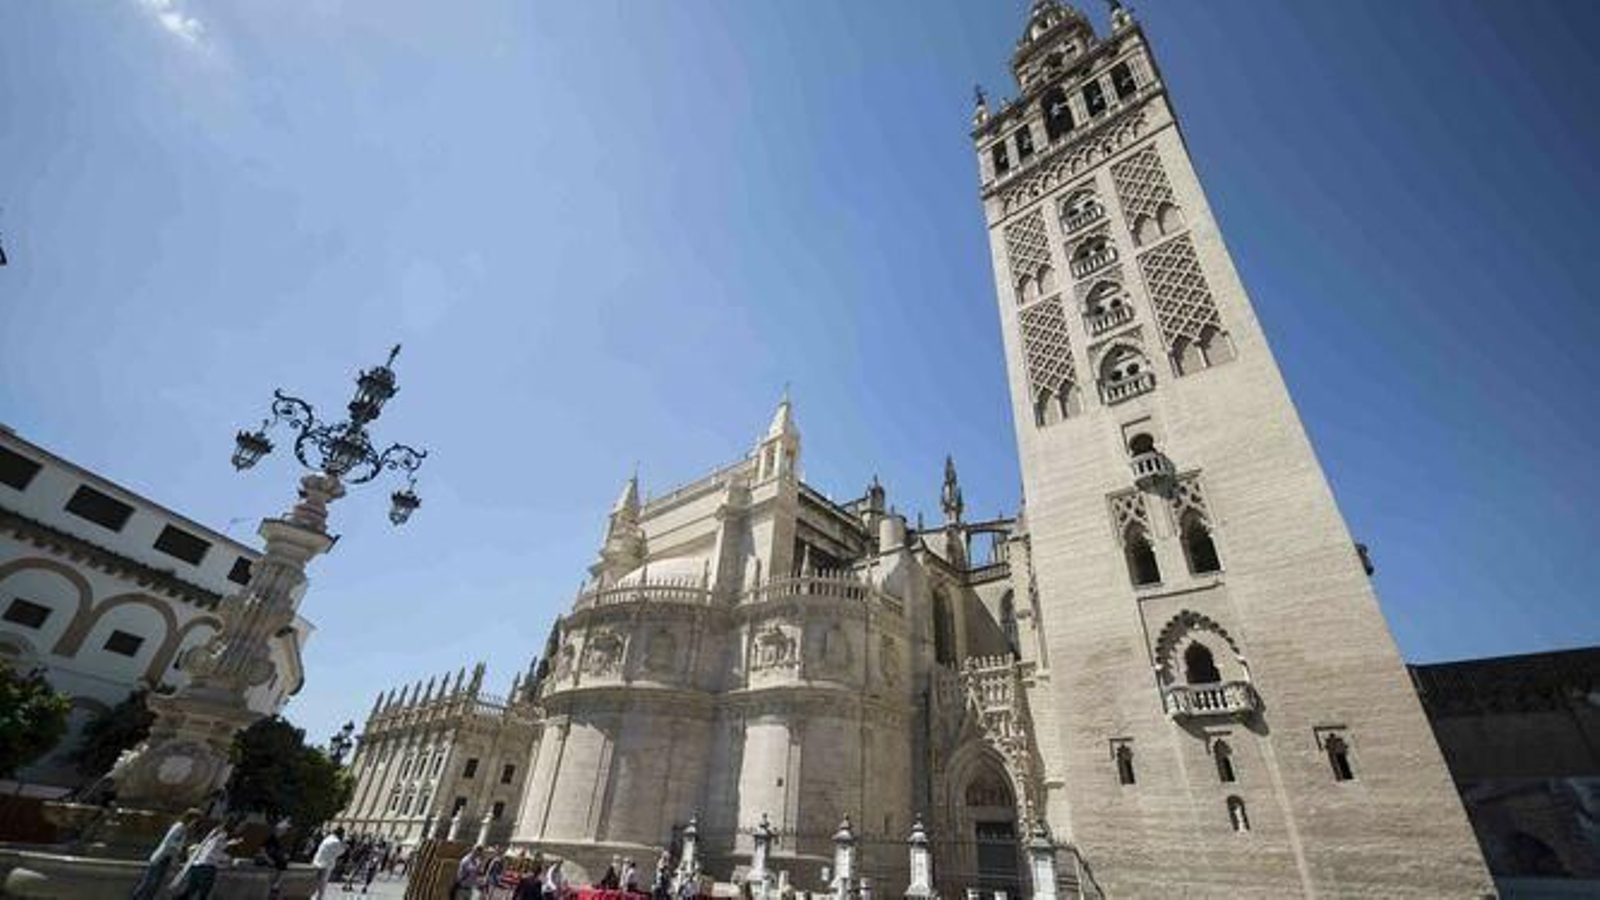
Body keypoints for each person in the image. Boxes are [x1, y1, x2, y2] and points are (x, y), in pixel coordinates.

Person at [131, 807, 199, 900]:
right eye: (195, 820)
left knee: (155, 883)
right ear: (191, 818)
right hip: (160, 858)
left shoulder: (184, 829)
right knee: (149, 882)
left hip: (166, 858)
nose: (195, 824)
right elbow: (169, 841)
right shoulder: (179, 827)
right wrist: (180, 848)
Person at [172, 820, 241, 899]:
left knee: (190, 891)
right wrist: (228, 859)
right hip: (207, 868)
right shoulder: (222, 836)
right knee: (203, 894)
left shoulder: (214, 835)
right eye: (238, 827)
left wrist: (229, 844)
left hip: (197, 866)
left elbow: (213, 847)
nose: (239, 830)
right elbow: (213, 851)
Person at [255, 821, 291, 899]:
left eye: (284, 831)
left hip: (275, 864)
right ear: (279, 830)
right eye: (283, 831)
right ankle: (276, 885)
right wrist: (268, 860)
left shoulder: (278, 840)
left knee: (283, 862)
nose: (284, 833)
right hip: (266, 860)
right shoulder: (270, 837)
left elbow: (278, 852)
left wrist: (284, 855)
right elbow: (262, 849)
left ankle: (276, 885)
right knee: (282, 863)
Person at [312, 828, 348, 900]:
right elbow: (340, 853)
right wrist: (344, 847)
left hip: (317, 862)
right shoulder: (336, 841)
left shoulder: (327, 838)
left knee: (315, 883)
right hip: (325, 865)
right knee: (321, 887)